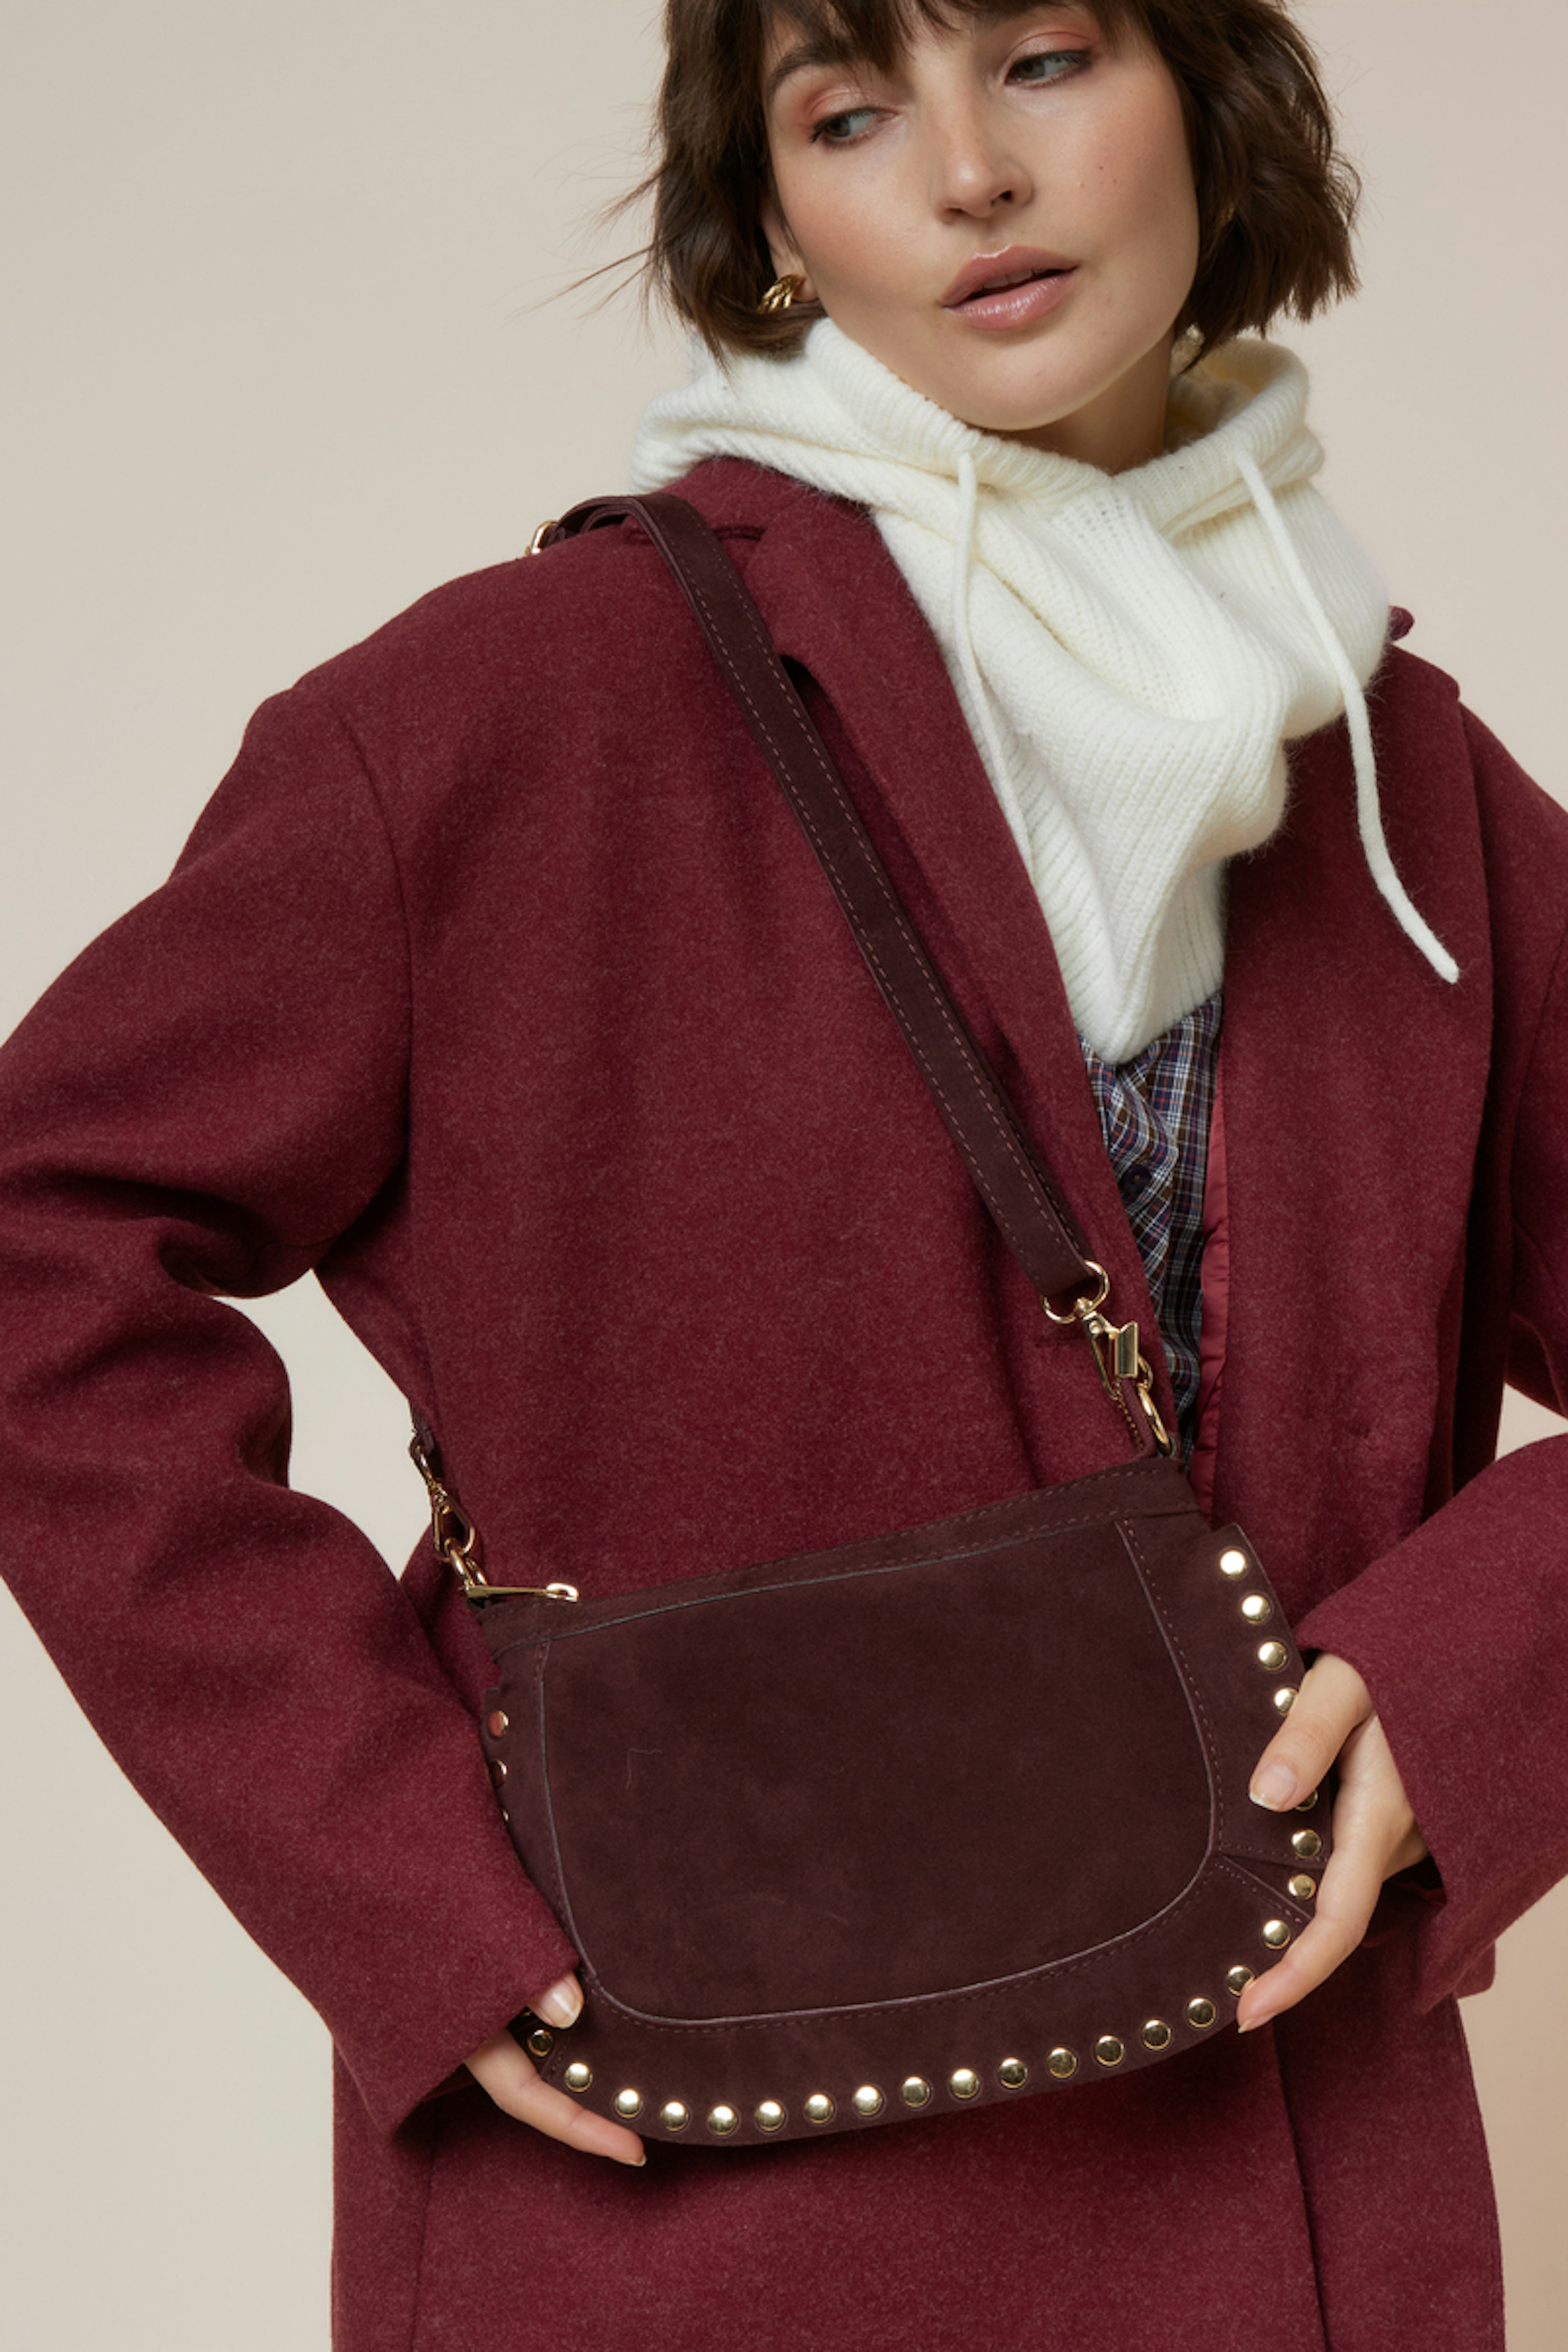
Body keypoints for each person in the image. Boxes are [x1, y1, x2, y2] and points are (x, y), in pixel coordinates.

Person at [1, 2, 1564, 2346]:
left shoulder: (1397, 789)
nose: (966, 174)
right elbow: (38, 1242)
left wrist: (1483, 1671)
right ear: (775, 220)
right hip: (685, 2184)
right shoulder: (501, 720)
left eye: (1044, 58)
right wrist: (399, 1883)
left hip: (1282, 2161)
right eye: (847, 112)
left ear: (1208, 93)